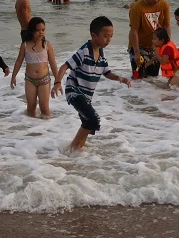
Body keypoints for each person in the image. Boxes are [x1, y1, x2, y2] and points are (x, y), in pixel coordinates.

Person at [55, 16, 131, 151]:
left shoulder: (101, 53)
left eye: (111, 36)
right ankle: (73, 149)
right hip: (74, 91)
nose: (109, 39)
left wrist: (120, 78)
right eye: (106, 36)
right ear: (94, 35)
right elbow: (64, 66)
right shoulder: (84, 51)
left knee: (88, 123)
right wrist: (57, 83)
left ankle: (75, 149)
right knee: (93, 120)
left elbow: (107, 73)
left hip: (86, 96)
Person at [10, 17, 60, 118]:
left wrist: (57, 81)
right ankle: (31, 125)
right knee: (31, 107)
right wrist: (13, 76)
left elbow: (53, 64)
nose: (41, 32)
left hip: (44, 80)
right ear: (31, 31)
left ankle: (47, 126)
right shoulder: (25, 45)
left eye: (43, 30)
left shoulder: (47, 45)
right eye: (37, 30)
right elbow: (19, 62)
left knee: (44, 107)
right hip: (30, 80)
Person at [128, 0, 171, 77]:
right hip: (139, 45)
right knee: (139, 77)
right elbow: (134, 31)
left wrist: (167, 47)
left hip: (156, 46)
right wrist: (137, 53)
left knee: (153, 78)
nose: (156, 0)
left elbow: (167, 27)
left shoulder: (164, 5)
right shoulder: (137, 7)